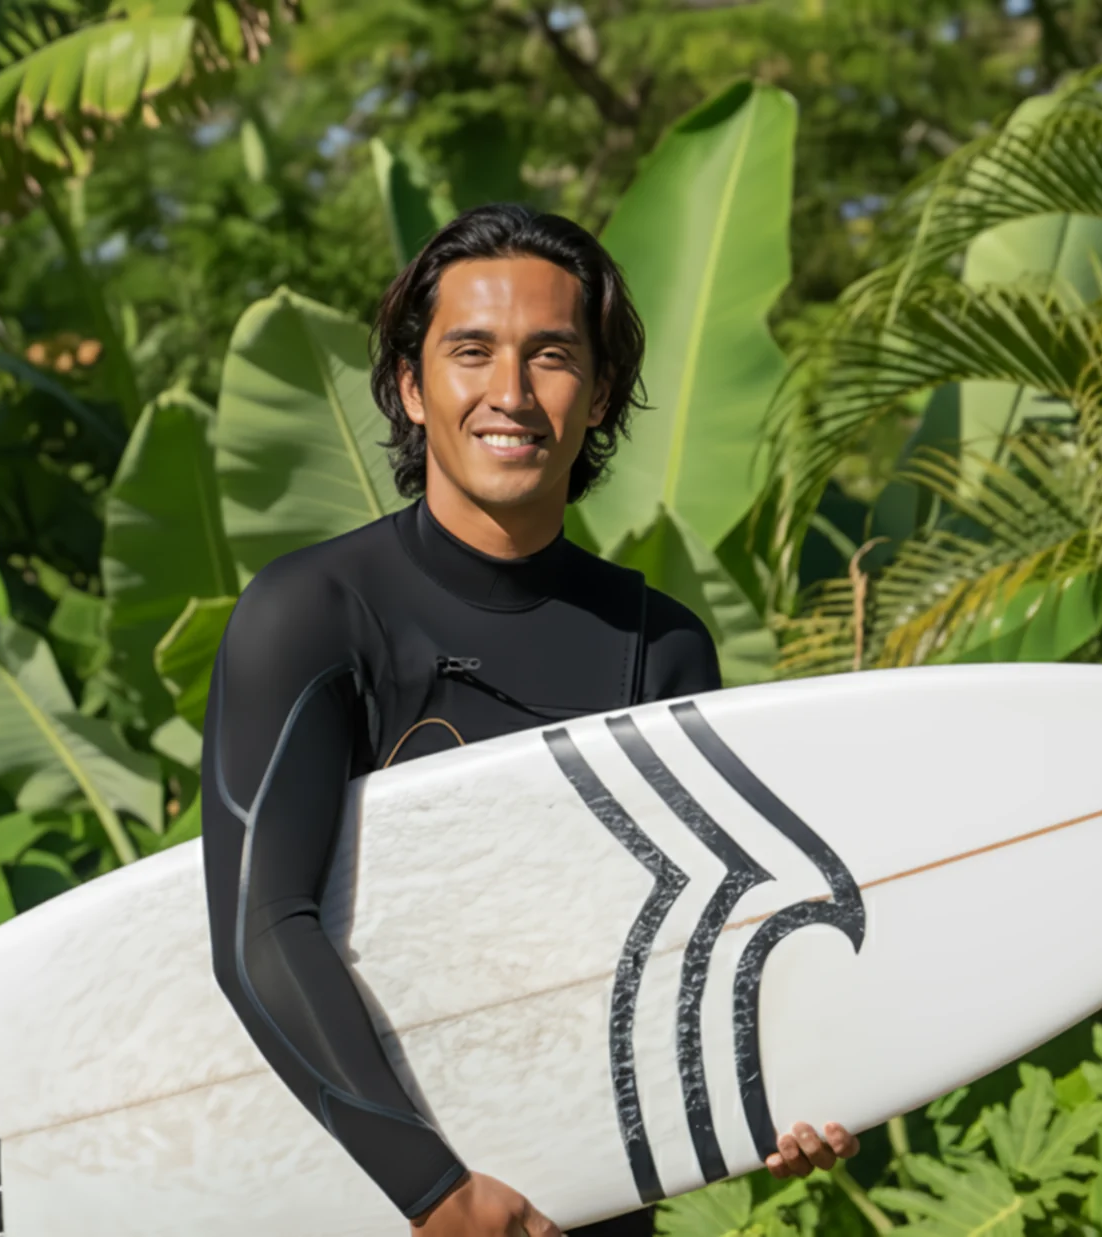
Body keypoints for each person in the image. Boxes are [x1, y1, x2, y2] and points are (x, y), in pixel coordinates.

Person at [200, 203, 860, 1237]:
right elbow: (262, 934)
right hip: (384, 1195)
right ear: (413, 387)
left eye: (551, 356)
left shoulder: (659, 642)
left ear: (599, 396)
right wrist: (435, 1191)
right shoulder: (314, 612)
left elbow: (686, 946)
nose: (510, 394)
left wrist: (780, 1094)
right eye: (471, 352)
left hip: (587, 1201)